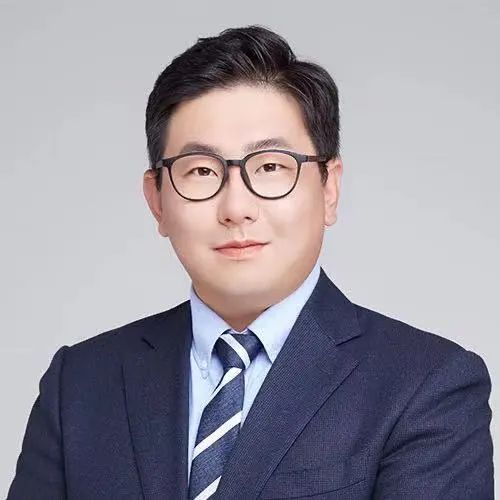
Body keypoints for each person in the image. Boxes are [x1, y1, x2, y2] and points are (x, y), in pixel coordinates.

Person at [8, 25, 493, 500]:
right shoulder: (80, 384)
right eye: (201, 171)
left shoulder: (428, 385)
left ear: (329, 188)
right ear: (157, 201)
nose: (236, 207)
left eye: (271, 167)